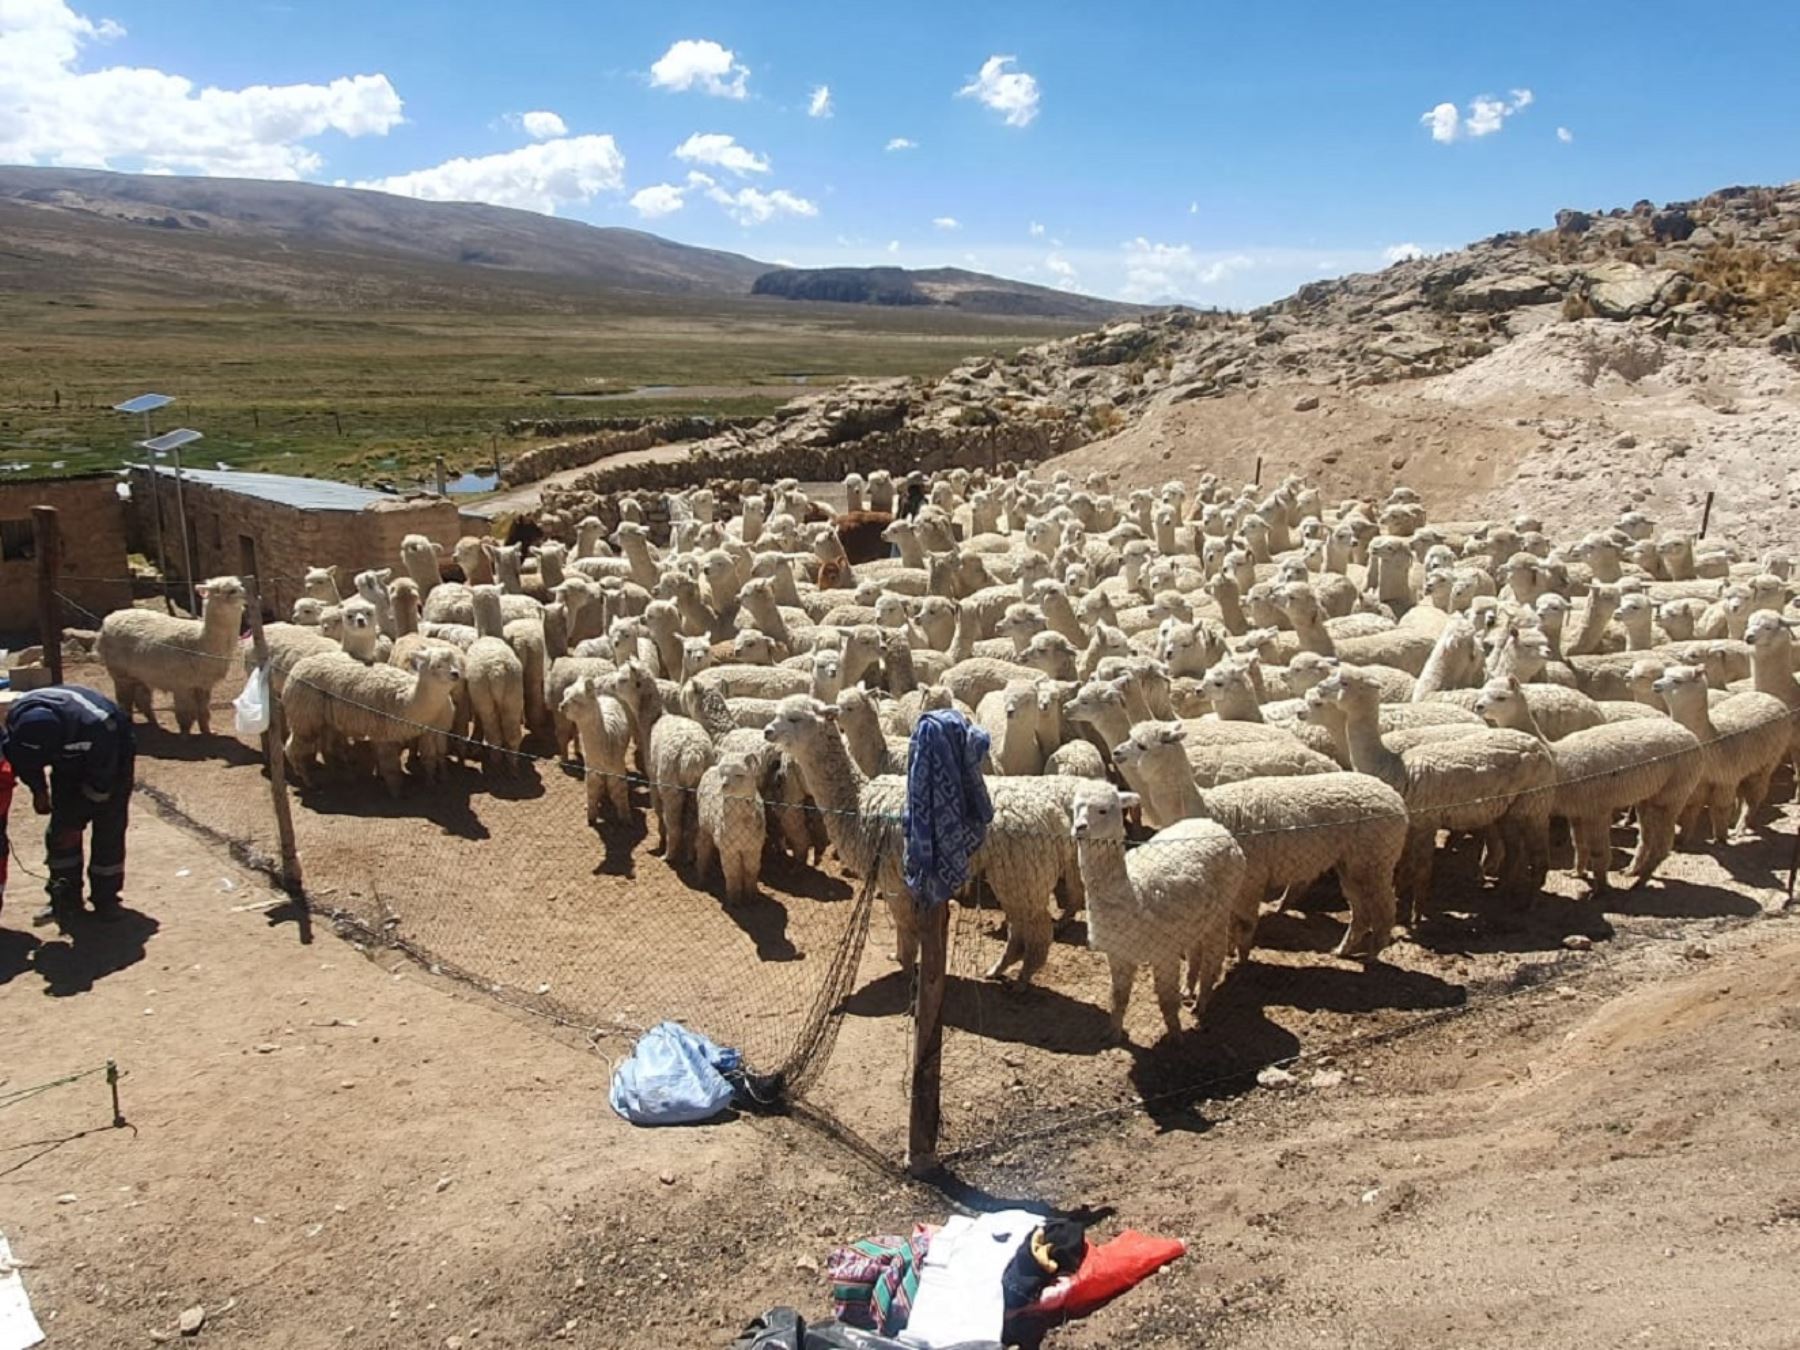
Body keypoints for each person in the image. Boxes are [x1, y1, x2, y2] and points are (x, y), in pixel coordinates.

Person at [0, 685, 136, 927]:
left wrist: (77, 819)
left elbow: (102, 782)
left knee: (108, 828)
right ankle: (64, 899)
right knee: (60, 831)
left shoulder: (99, 726)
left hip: (111, 757)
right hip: (68, 758)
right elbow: (24, 761)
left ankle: (106, 900)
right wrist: (39, 791)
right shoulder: (19, 724)